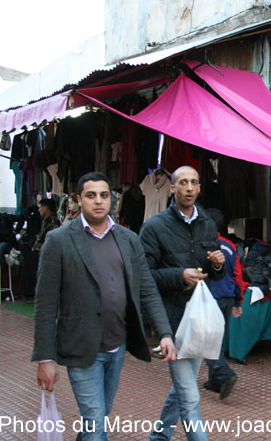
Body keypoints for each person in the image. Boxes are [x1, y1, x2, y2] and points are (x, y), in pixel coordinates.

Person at [32, 172, 176, 441]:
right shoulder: (59, 240)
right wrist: (45, 358)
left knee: (99, 415)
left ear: (111, 198)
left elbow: (147, 290)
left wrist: (165, 333)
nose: (98, 201)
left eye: (104, 195)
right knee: (96, 422)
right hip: (81, 348)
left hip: (117, 346)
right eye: (90, 195)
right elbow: (45, 304)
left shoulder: (129, 239)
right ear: (78, 200)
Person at [140, 165, 226, 441]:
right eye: (183, 183)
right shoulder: (154, 227)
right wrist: (179, 276)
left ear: (200, 188)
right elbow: (144, 276)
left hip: (198, 319)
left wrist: (216, 265)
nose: (189, 188)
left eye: (194, 183)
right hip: (172, 321)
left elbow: (214, 271)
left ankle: (159, 436)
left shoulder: (208, 223)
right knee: (190, 397)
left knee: (182, 388)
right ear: (173, 188)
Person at [202, 209, 246, 400]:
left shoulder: (204, 246)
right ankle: (214, 382)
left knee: (205, 343)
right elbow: (238, 275)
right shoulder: (229, 245)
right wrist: (238, 301)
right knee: (217, 340)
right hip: (228, 298)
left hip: (210, 299)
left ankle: (225, 374)